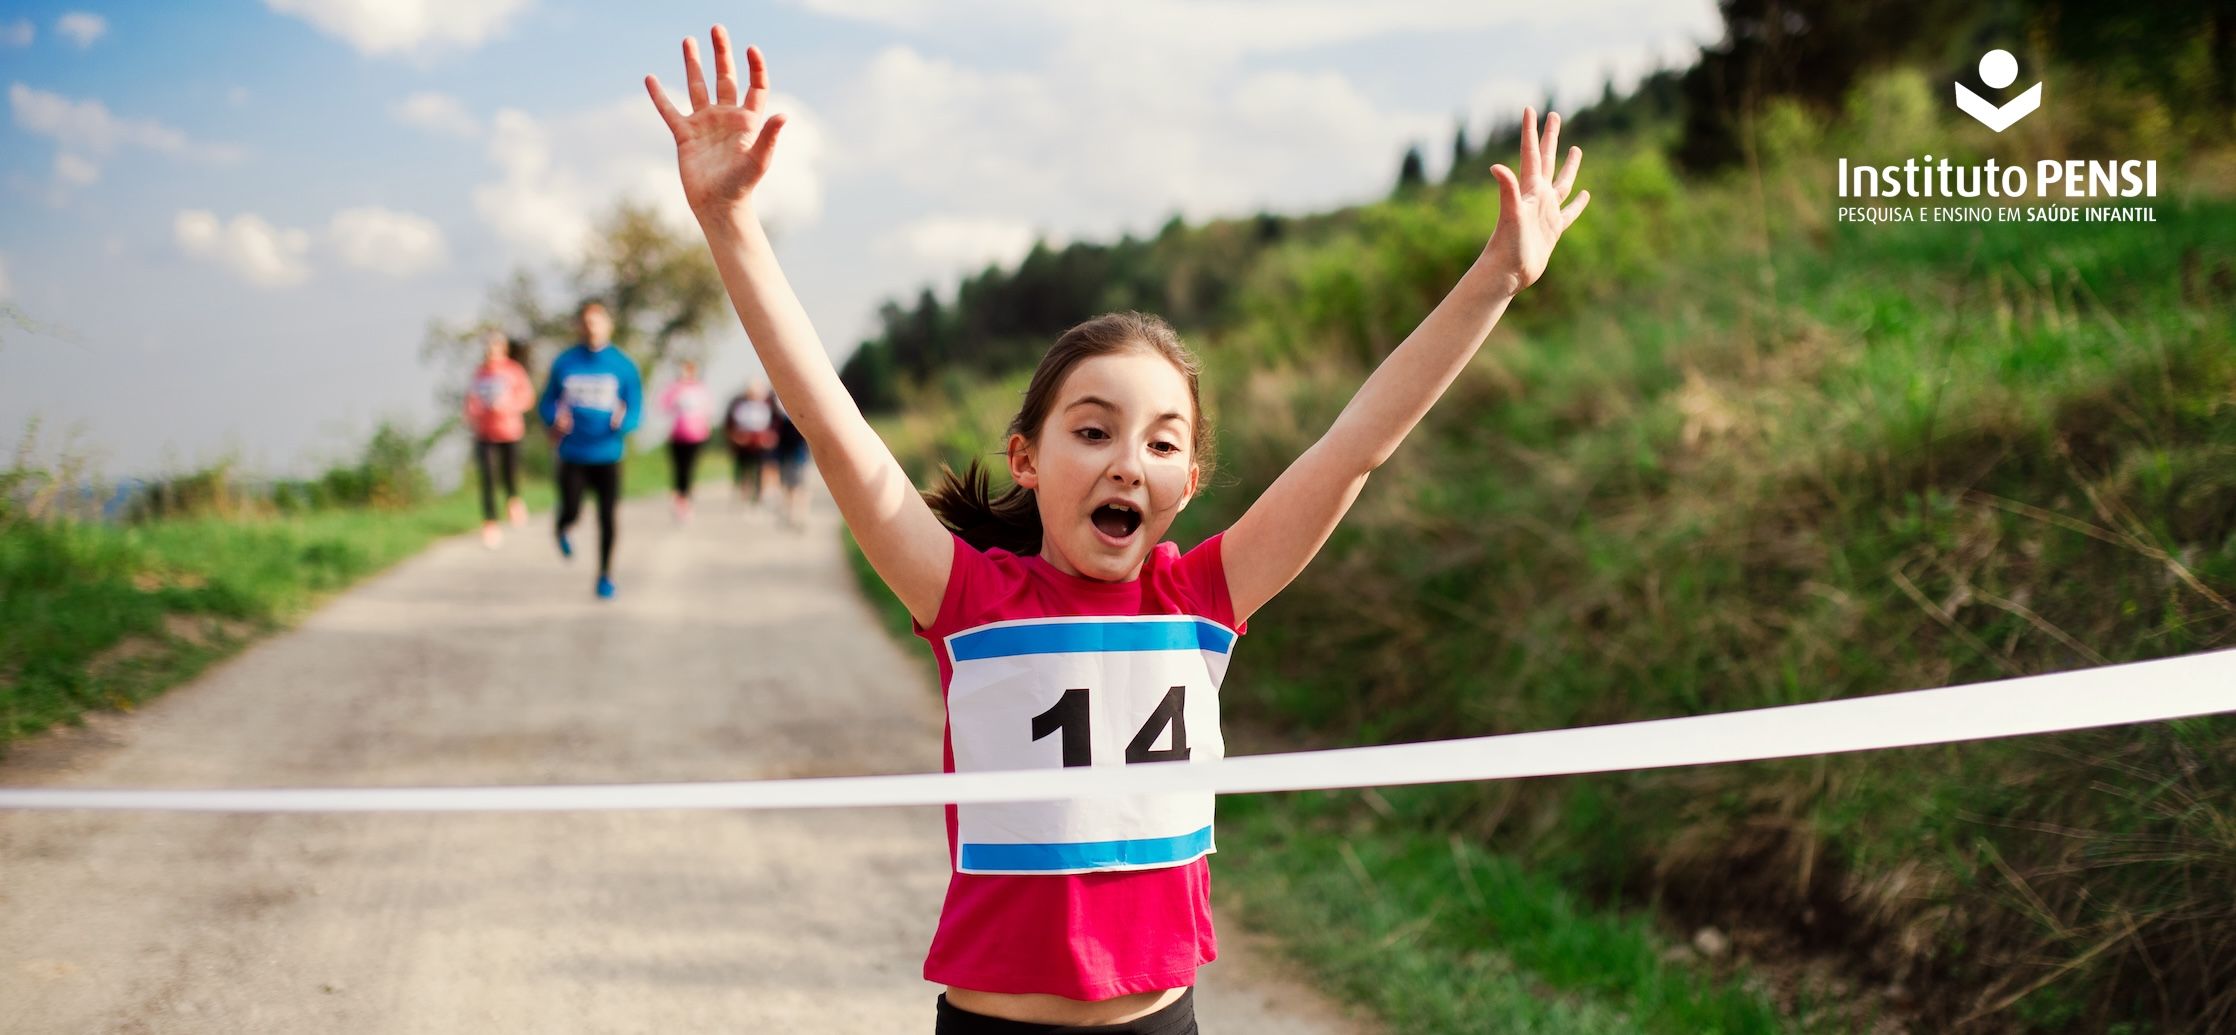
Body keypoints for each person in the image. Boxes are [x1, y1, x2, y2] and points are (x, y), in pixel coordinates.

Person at [647, 27, 1588, 1032]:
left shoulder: (1204, 600)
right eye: (1092, 430)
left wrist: (1495, 276)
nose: (1127, 461)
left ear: (1188, 481)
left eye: (1161, 441)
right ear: (1026, 457)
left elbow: (1356, 443)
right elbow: (836, 436)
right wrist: (731, 223)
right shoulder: (970, 600)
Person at [538, 300, 643, 600]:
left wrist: (625, 422)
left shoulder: (623, 365)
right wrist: (553, 418)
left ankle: (605, 575)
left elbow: (635, 407)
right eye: (586, 322)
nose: (591, 327)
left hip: (608, 453)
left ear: (608, 325)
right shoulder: (565, 362)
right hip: (573, 452)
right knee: (572, 508)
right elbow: (546, 401)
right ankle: (562, 527)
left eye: (597, 321)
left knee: (607, 517)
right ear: (579, 326)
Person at [463, 330, 534, 548]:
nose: (490, 350)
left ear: (502, 348)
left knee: (509, 473)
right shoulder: (480, 373)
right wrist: (474, 412)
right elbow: (471, 400)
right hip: (485, 433)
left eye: (495, 346)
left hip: (510, 431)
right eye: (487, 346)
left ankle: (514, 500)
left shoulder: (514, 371)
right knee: (487, 479)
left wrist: (507, 406)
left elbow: (527, 398)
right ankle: (490, 522)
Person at [659, 358, 717, 522]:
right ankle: (678, 499)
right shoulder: (675, 388)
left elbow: (708, 410)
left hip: (696, 436)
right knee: (678, 469)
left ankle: (686, 502)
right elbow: (664, 405)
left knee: (689, 469)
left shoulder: (701, 389)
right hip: (677, 435)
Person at [722, 378, 779, 505]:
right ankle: (744, 491)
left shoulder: (768, 404)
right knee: (744, 468)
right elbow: (730, 423)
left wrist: (770, 437)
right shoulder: (738, 404)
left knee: (761, 468)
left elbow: (775, 425)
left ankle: (758, 494)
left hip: (761, 443)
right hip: (744, 443)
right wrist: (736, 437)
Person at [768, 388, 811, 528]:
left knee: (798, 485)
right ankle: (791, 513)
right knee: (788, 484)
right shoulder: (775, 403)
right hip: (784, 449)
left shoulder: (802, 401)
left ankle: (799, 514)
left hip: (798, 450)